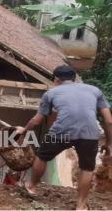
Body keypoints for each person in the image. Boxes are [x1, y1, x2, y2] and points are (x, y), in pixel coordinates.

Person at [16, 65, 112, 210]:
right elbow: (109, 120)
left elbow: (37, 120)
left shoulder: (51, 93)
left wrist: (24, 130)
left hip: (60, 132)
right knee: (87, 168)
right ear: (74, 78)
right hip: (89, 135)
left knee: (42, 156)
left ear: (56, 79)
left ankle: (32, 187)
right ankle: (80, 205)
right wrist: (109, 143)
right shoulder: (95, 90)